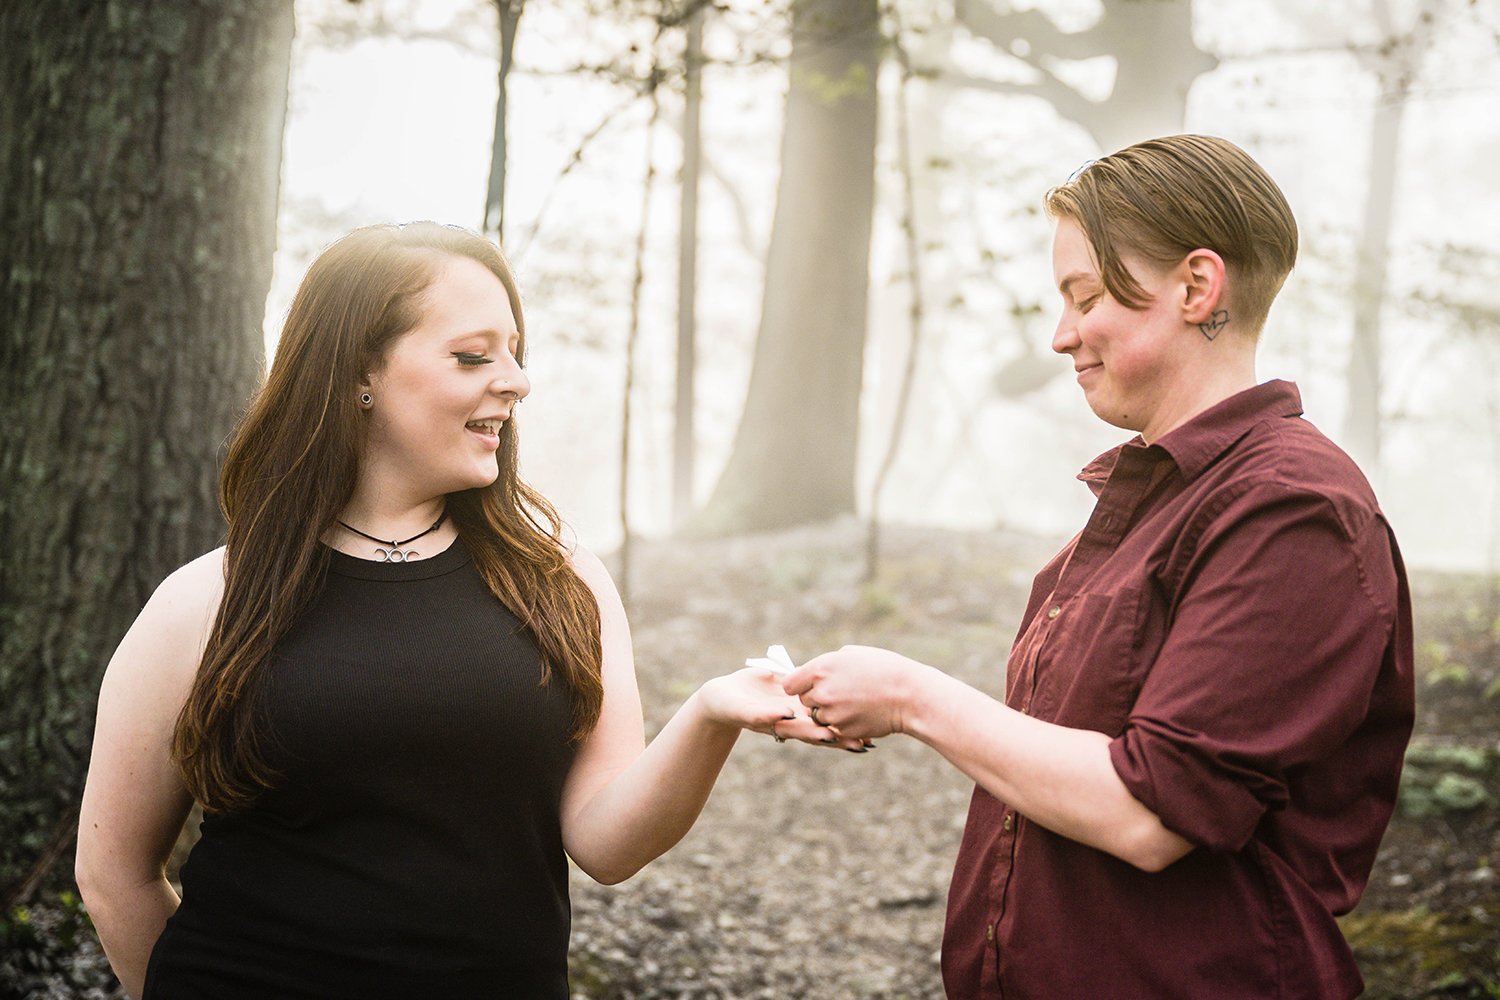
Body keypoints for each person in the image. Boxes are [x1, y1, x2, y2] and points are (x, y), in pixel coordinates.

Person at [74, 222, 863, 1000]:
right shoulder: (207, 601)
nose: (517, 381)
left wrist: (709, 715)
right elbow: (114, 879)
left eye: (516, 354)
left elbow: (608, 845)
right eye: (473, 355)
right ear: (361, 373)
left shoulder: (561, 584)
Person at [784, 135, 1414, 999]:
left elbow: (1151, 812)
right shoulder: (1145, 503)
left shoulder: (1297, 511)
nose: (1060, 335)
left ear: (1197, 287)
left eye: (1085, 297)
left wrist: (908, 697)